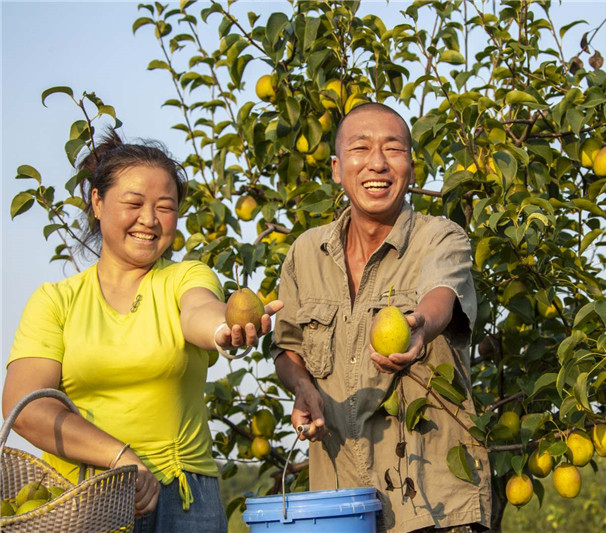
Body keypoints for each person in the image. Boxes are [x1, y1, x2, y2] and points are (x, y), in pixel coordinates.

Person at [2, 130, 282, 533]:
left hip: (183, 501)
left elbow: (199, 310)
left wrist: (223, 329)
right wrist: (121, 457)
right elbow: (26, 407)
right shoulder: (54, 300)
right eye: (133, 203)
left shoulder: (184, 276)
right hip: (80, 498)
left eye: (165, 207)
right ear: (97, 203)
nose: (149, 220)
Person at [271, 103, 491, 532]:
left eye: (393, 149)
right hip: (337, 506)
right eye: (361, 148)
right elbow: (288, 348)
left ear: (411, 168)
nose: (377, 163)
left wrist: (420, 327)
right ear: (337, 168)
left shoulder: (441, 237)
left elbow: (440, 297)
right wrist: (301, 387)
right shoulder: (305, 254)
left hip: (434, 507)